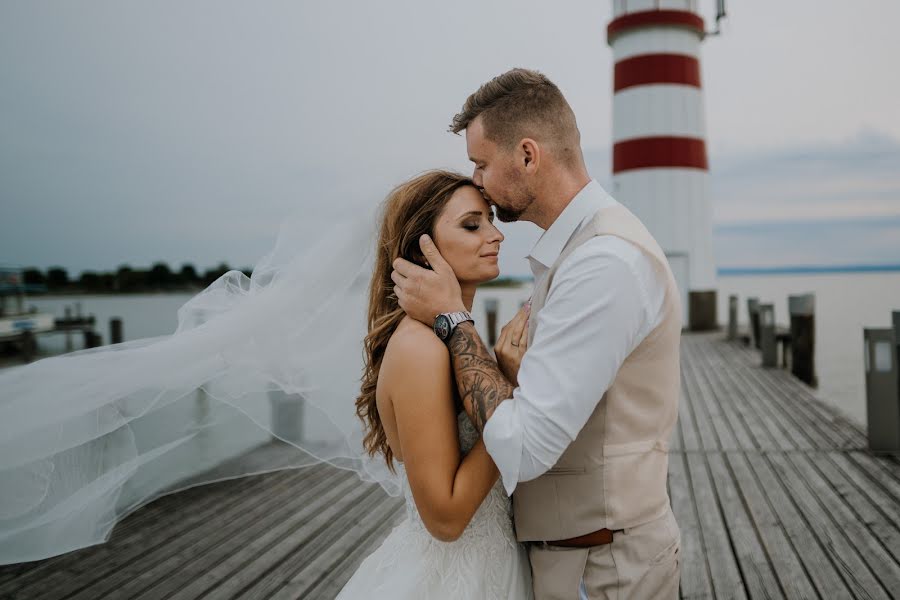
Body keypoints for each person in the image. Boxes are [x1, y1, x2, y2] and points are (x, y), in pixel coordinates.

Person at [392, 68, 683, 599]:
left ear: (528, 155)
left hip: (604, 570)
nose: (475, 179)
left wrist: (455, 321)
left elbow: (525, 449)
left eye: (480, 163)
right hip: (574, 557)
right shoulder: (575, 254)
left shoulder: (603, 264)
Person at [336, 169, 533, 599]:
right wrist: (512, 398)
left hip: (496, 564)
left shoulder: (446, 338)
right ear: (424, 249)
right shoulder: (419, 349)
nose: (496, 235)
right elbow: (444, 518)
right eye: (471, 224)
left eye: (491, 220)